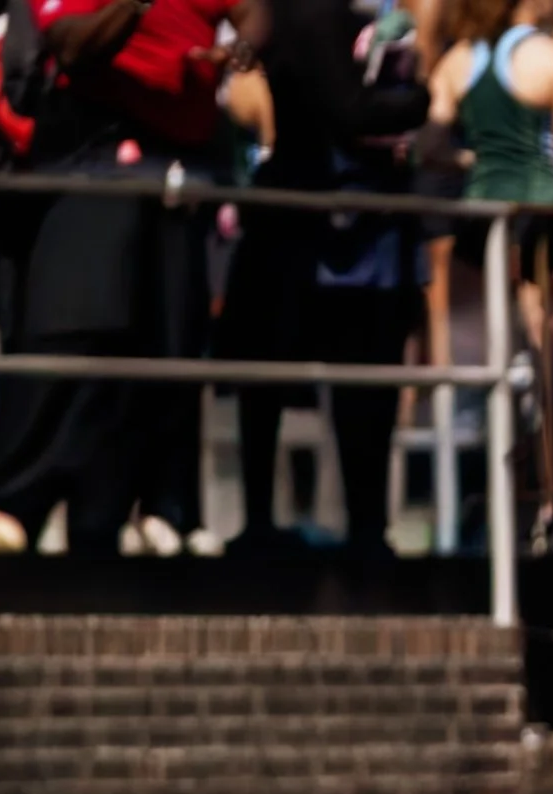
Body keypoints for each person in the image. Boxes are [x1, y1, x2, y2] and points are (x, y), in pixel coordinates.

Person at [0, 0, 232, 558]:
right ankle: (12, 505)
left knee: (150, 357)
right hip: (74, 175)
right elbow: (68, 43)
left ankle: (124, 514)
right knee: (70, 335)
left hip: (169, 180)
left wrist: (241, 52)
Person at [219, 0, 429, 558]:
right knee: (315, 377)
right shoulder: (312, 13)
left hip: (337, 222)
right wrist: (418, 101)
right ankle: (301, 524)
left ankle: (353, 526)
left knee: (353, 382)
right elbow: (347, 108)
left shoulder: (309, 14)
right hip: (318, 222)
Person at [431, 0, 553, 536]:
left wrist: (476, 158)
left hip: (481, 216)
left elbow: (430, 144)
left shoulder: (458, 60)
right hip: (543, 215)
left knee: (475, 363)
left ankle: (463, 502)